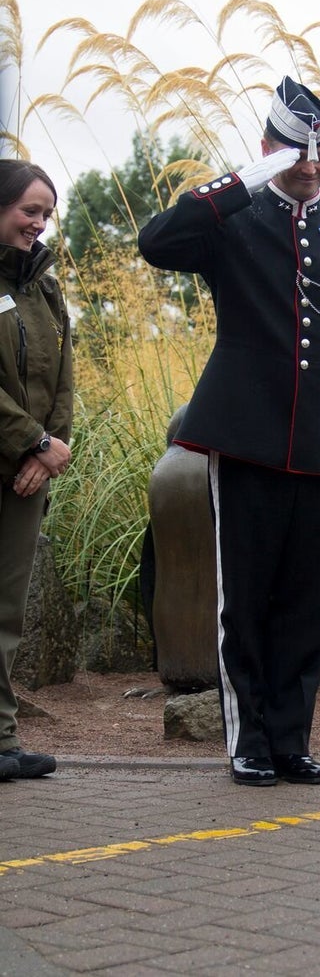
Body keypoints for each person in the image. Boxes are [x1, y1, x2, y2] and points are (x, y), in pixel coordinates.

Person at [139, 78, 320, 787]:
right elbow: (155, 241)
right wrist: (245, 181)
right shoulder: (232, 222)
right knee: (244, 602)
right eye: (294, 153)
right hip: (247, 442)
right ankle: (248, 738)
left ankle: (291, 739)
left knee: (304, 606)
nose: (309, 167)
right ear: (267, 149)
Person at [0, 159, 73, 780]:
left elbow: (63, 376)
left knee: (6, 611)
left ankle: (1, 741)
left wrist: (51, 451)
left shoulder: (43, 285)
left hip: (27, 470)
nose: (39, 223)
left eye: (46, 214)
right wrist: (31, 440)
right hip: (14, 451)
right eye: (29, 210)